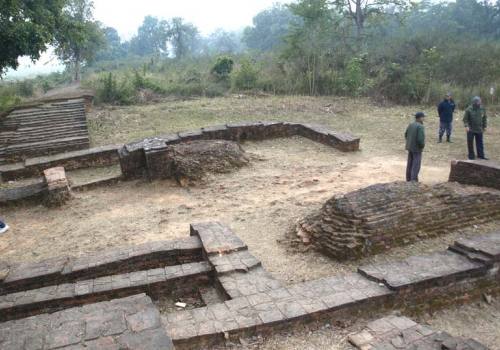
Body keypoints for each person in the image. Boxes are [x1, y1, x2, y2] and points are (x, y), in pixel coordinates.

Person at [405, 112, 426, 182]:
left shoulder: (411, 124)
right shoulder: (420, 126)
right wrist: (422, 146)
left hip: (410, 147)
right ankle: (413, 180)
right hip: (417, 149)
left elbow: (406, 134)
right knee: (416, 165)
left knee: (410, 164)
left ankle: (408, 179)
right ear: (420, 118)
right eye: (423, 117)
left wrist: (410, 142)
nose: (424, 118)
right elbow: (420, 139)